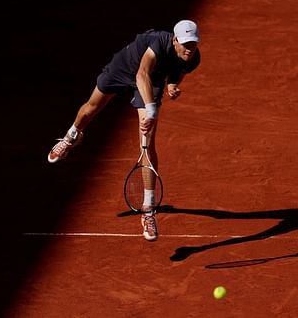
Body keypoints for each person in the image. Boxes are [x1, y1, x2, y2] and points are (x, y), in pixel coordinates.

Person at [47, 20, 201, 242]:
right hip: (127, 68)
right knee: (90, 108)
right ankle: (72, 136)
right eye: (185, 43)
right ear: (175, 40)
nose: (189, 48)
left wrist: (171, 86)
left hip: (153, 80)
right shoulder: (158, 43)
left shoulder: (192, 57)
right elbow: (141, 74)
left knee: (147, 144)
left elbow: (178, 71)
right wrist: (151, 111)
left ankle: (148, 210)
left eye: (193, 44)